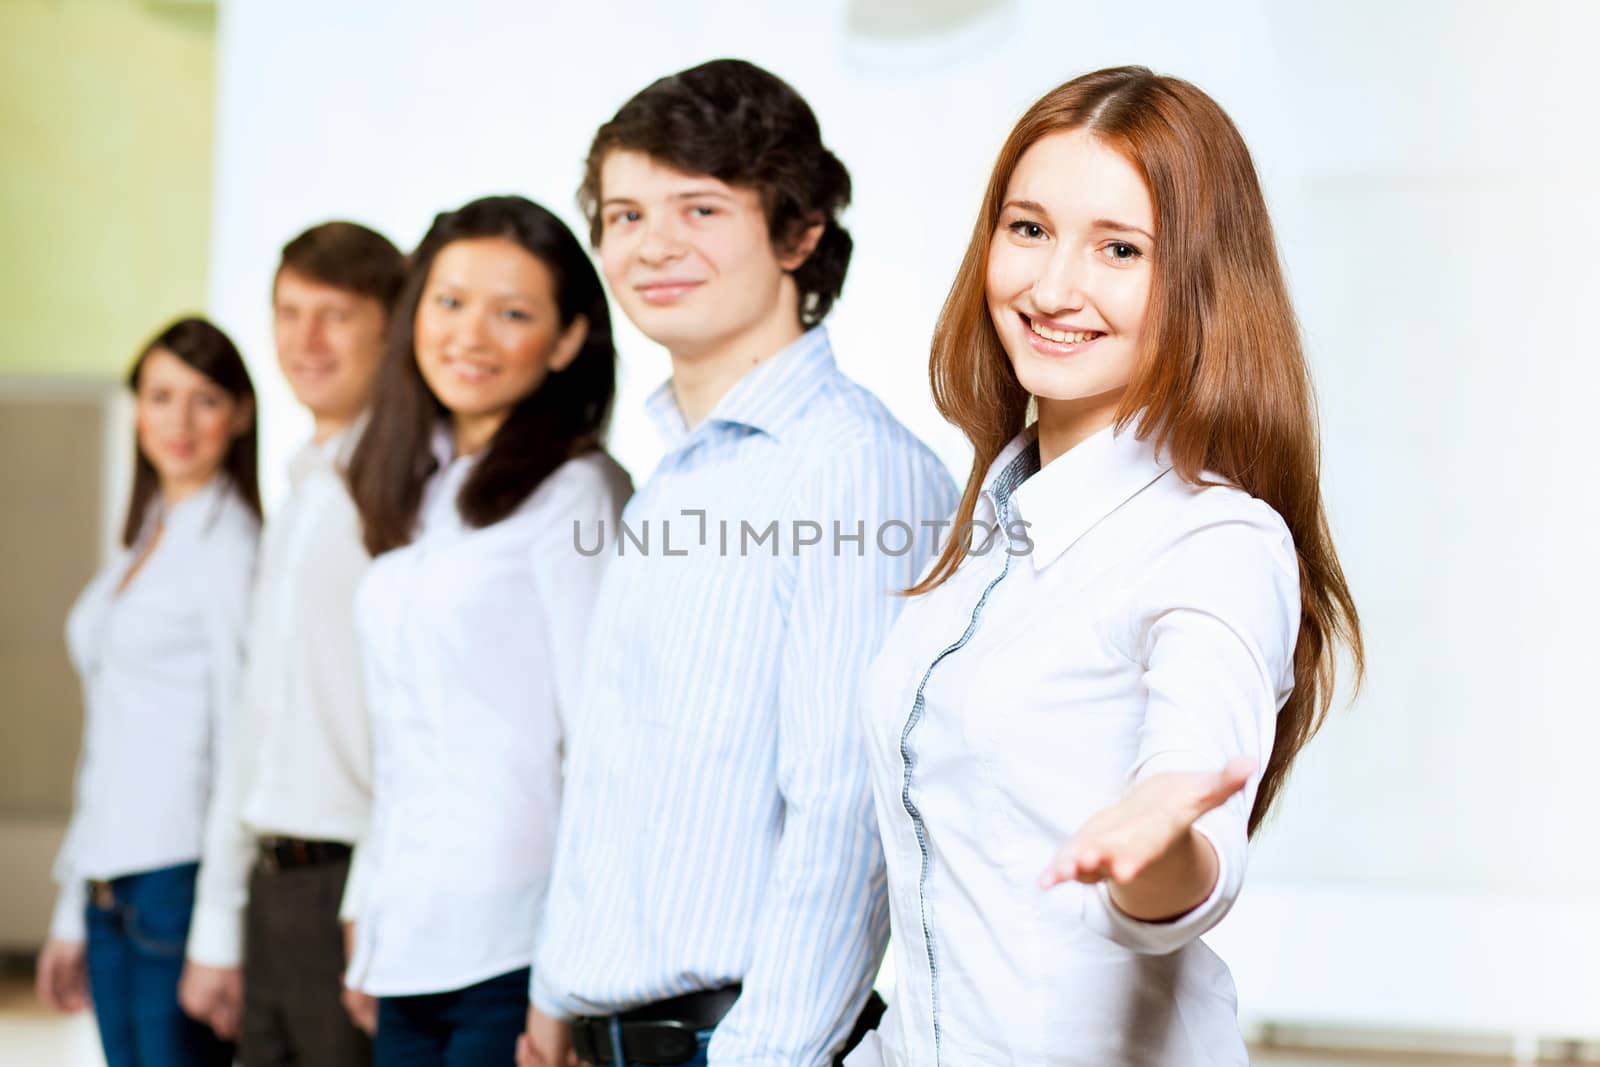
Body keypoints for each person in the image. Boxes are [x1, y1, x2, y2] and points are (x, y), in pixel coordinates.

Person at [848, 66, 1367, 1066]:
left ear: (1201, 283)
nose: (1049, 288)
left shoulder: (1214, 540)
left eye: (1118, 249)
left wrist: (1158, 849)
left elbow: (1194, 832)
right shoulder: (991, 529)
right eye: (1027, 228)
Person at [518, 60, 957, 1067]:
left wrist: (762, 1055)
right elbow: (614, 770)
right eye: (623, 214)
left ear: (799, 233)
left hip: (744, 1037)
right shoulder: (673, 471)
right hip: (609, 1033)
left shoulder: (855, 468)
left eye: (699, 207)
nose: (652, 244)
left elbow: (848, 809)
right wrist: (555, 993)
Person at [342, 194, 630, 1067]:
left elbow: (603, 744)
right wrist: (371, 903)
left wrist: (567, 974)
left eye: (513, 313)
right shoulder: (421, 484)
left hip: (516, 944)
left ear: (569, 339)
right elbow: (403, 735)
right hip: (408, 938)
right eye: (450, 300)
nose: (470, 334)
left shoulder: (577, 492)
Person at [178, 221, 406, 1063]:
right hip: (272, 893)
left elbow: (414, 723)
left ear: (391, 325)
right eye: (288, 311)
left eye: (335, 314)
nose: (304, 340)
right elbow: (258, 719)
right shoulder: (305, 486)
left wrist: (377, 910)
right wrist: (218, 923)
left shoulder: (401, 493)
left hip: (346, 891)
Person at [36, 317, 262, 1067]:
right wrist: (73, 906)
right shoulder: (146, 536)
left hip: (177, 881)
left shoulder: (230, 547)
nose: (179, 421)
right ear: (135, 408)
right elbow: (110, 740)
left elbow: (244, 735)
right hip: (108, 880)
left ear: (241, 414)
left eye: (205, 399)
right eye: (161, 395)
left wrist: (216, 931)